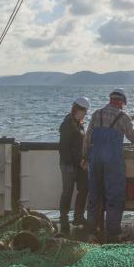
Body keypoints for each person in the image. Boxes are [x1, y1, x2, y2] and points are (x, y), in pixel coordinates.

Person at [83, 88, 134, 242]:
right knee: (114, 196)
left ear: (110, 99)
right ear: (122, 102)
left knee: (94, 195)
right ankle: (113, 234)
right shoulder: (123, 117)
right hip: (112, 160)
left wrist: (85, 156)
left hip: (95, 159)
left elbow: (87, 137)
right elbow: (132, 137)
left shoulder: (97, 114)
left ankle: (91, 231)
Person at [58, 97, 90, 235]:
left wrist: (84, 159)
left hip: (79, 164)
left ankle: (78, 217)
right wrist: (72, 163)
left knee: (84, 188)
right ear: (76, 109)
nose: (85, 114)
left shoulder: (79, 125)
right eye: (84, 111)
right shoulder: (66, 125)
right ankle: (64, 219)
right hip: (69, 164)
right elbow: (63, 147)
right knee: (68, 191)